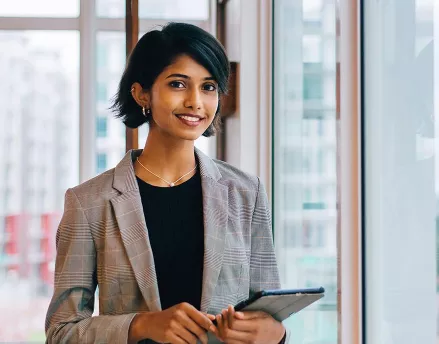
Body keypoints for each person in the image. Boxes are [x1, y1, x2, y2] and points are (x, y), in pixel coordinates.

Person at [45, 22, 289, 344]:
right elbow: (61, 332)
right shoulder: (89, 202)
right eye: (178, 84)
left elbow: (266, 310)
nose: (195, 102)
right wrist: (140, 325)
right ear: (141, 93)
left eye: (209, 87)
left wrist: (278, 333)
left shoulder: (247, 193)